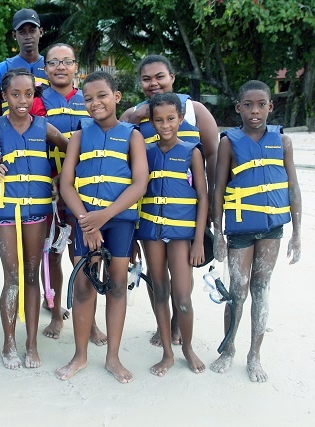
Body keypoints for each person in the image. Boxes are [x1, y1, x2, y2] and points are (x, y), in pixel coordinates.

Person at [120, 54, 218, 347]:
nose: (154, 83)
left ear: (172, 77)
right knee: (157, 276)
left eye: (160, 76)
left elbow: (212, 153)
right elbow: (121, 156)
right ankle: (165, 327)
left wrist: (211, 203)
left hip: (184, 212)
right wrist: (133, 117)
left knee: (182, 275)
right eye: (147, 79)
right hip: (150, 213)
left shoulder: (195, 111)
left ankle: (178, 324)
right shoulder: (137, 116)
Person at [56, 71, 148, 383]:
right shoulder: (80, 136)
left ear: (117, 97)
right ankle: (80, 355)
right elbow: (66, 184)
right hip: (86, 221)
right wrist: (86, 222)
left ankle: (113, 358)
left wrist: (104, 217)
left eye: (102, 96)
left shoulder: (132, 135)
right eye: (89, 99)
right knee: (84, 285)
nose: (95, 103)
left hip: (118, 221)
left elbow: (139, 183)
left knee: (117, 285)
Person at [210, 80, 301, 382]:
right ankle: (228, 349)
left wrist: (297, 233)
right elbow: (218, 189)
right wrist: (218, 234)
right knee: (237, 290)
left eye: (261, 104)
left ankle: (254, 355)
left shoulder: (283, 141)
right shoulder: (228, 142)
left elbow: (292, 187)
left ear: (270, 107)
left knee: (261, 289)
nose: (254, 111)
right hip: (240, 230)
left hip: (273, 228)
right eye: (248, 105)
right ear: (238, 108)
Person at [0, 68, 68, 370]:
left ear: (34, 95)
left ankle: (31, 343)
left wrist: (60, 181)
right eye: (15, 94)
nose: (22, 100)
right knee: (13, 277)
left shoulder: (46, 128)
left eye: (28, 94)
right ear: (4, 96)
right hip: (5, 209)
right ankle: (9, 343)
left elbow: (70, 153)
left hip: (37, 210)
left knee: (33, 275)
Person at [29, 43, 106, 345]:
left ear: (76, 66)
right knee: (52, 253)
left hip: (82, 189)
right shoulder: (35, 101)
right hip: (45, 186)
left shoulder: (90, 101)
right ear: (44, 68)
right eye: (53, 62)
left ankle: (92, 320)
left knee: (86, 254)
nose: (60, 67)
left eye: (66, 61)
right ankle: (56, 311)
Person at [135, 93, 208, 376]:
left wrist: (199, 240)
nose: (165, 125)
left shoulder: (193, 152)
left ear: (180, 119)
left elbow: (202, 196)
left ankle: (187, 347)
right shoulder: (146, 152)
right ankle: (167, 352)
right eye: (158, 120)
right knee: (160, 290)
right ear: (151, 122)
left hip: (180, 235)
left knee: (182, 297)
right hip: (152, 232)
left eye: (170, 119)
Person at [0, 8, 48, 118]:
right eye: (22, 32)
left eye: (32, 30)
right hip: (9, 132)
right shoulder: (0, 69)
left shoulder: (51, 68)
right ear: (14, 35)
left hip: (44, 132)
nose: (28, 36)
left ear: (41, 32)